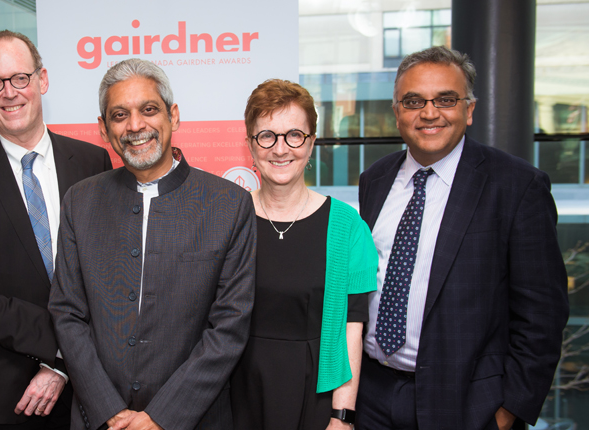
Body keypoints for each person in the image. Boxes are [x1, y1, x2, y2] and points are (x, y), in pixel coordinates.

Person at [356, 46, 569, 430]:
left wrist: (507, 412)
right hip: (372, 395)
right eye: (414, 100)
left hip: (467, 405)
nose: (430, 112)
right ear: (397, 112)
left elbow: (542, 314)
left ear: (469, 110)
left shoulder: (517, 186)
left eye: (446, 99)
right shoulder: (375, 178)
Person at [48, 58, 256, 430]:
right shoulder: (80, 201)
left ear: (173, 116)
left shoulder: (229, 204)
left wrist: (161, 418)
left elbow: (229, 326)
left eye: (148, 110)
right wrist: (108, 410)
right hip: (99, 419)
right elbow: (67, 313)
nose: (135, 126)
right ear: (103, 128)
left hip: (195, 418)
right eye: (119, 115)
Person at [0, 30, 112, 429]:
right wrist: (62, 348)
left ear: (42, 80)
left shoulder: (92, 162)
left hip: (97, 391)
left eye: (20, 78)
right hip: (10, 396)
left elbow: (108, 276)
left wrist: (69, 363)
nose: (9, 93)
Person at [229, 79, 377, 430]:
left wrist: (342, 418)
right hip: (233, 397)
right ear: (250, 144)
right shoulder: (226, 219)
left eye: (294, 135)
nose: (280, 149)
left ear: (312, 143)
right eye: (267, 136)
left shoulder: (347, 227)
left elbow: (350, 331)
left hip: (315, 398)